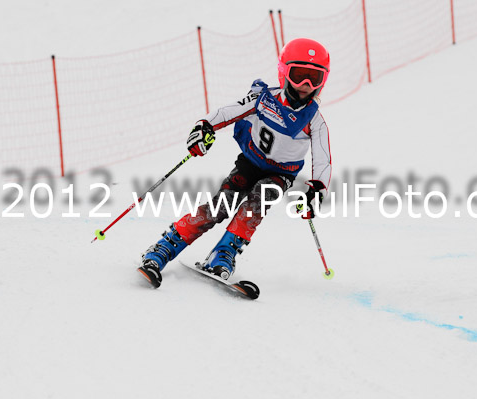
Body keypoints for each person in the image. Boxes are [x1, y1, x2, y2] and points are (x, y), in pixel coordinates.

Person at [137, 38, 332, 288]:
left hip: (281, 173)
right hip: (250, 162)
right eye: (299, 75)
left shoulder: (315, 120)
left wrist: (316, 190)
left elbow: (323, 158)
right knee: (221, 205)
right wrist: (204, 127)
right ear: (284, 72)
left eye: (314, 78)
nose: (305, 85)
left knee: (258, 202)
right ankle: (163, 248)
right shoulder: (264, 99)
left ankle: (224, 254)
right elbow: (227, 112)